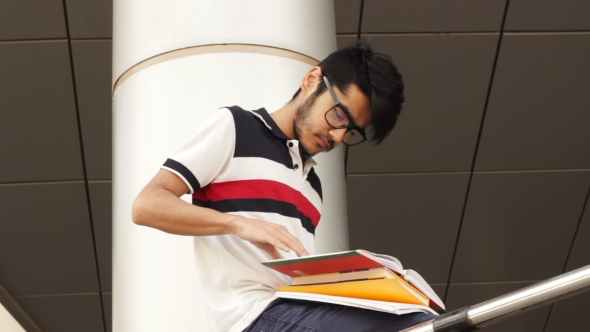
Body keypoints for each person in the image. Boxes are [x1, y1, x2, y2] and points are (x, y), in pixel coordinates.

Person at [132, 39, 436, 332]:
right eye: (339, 115)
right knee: (415, 325)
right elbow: (147, 205)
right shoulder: (237, 127)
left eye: (352, 131)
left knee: (426, 319)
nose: (339, 136)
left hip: (297, 309)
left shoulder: (313, 187)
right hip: (251, 316)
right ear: (312, 80)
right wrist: (237, 224)